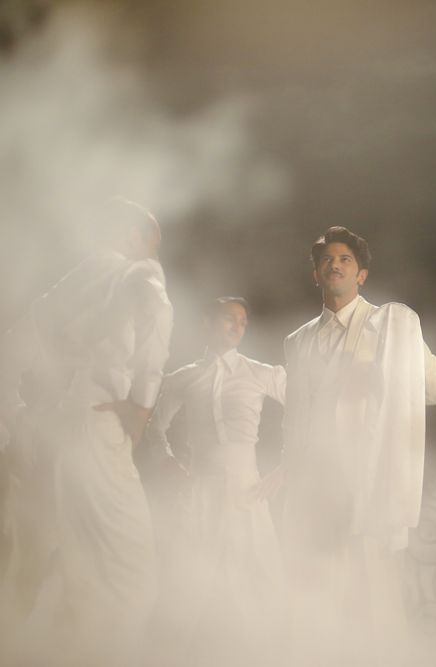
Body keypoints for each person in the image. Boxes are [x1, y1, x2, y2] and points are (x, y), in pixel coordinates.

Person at [0, 198, 172, 665]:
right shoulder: (137, 274)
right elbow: (158, 320)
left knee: (75, 549)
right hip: (100, 423)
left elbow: (13, 344)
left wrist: (14, 416)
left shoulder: (77, 280)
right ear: (133, 235)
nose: (155, 251)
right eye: (152, 240)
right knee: (127, 561)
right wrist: (142, 407)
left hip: (64, 423)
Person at [268, 225, 436, 663]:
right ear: (316, 274)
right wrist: (289, 476)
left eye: (345, 259)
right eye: (327, 260)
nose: (336, 265)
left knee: (377, 602)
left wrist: (392, 373)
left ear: (362, 274)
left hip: (369, 486)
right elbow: (295, 419)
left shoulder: (391, 327)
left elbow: (435, 390)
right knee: (317, 599)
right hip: (315, 490)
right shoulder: (297, 341)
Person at [143, 296, 285, 658]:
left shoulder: (260, 373)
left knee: (257, 574)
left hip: (247, 490)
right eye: (228, 319)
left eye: (243, 321)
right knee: (193, 576)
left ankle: (262, 656)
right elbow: (154, 428)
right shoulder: (184, 377)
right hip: (201, 491)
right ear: (208, 322)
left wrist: (287, 465)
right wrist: (167, 463)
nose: (237, 326)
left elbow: (306, 409)